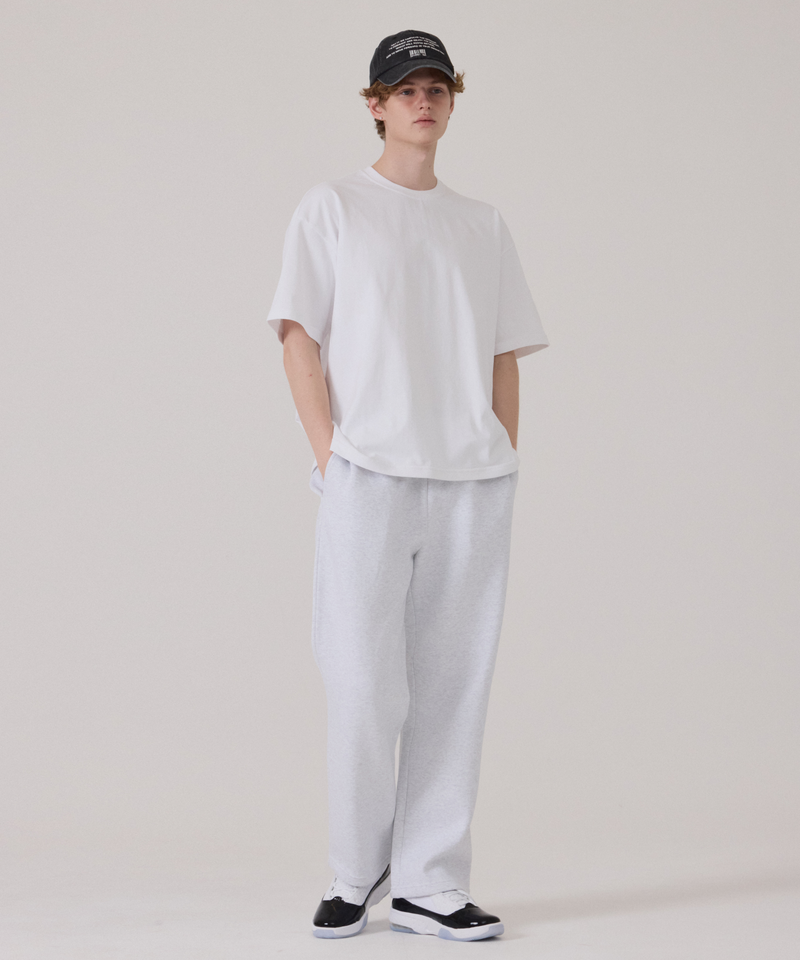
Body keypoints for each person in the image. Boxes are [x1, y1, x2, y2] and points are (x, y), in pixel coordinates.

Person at [266, 29, 549, 941]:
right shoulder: (333, 207)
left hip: (472, 483)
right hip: (369, 478)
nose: (423, 101)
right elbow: (298, 336)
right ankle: (357, 870)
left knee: (453, 686)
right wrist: (330, 457)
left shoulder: (482, 224)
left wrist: (503, 454)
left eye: (436, 87)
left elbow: (504, 353)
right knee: (360, 683)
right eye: (405, 89)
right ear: (376, 105)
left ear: (452, 101)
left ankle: (431, 881)